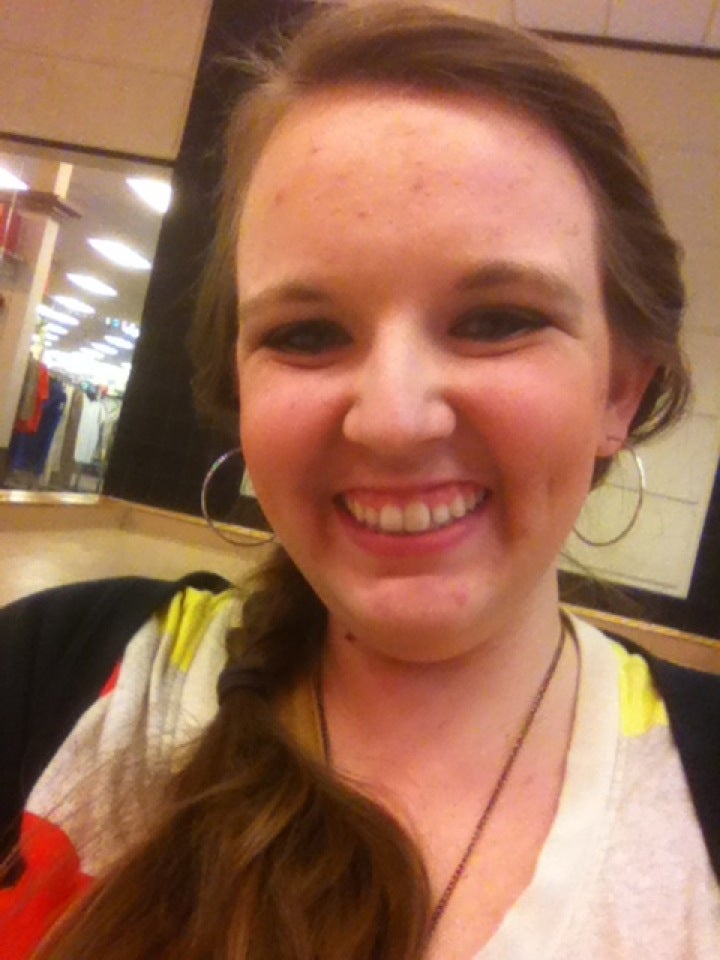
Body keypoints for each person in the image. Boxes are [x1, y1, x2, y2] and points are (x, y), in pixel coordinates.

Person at [1, 2, 718, 958]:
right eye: (307, 334)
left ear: (620, 390)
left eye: (496, 320)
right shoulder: (52, 673)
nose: (392, 418)